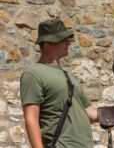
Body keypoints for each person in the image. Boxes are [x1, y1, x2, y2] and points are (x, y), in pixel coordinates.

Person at [20, 18, 99, 148]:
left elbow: (92, 113)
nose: (68, 42)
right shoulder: (33, 74)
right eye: (63, 39)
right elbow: (31, 119)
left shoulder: (69, 77)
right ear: (48, 43)